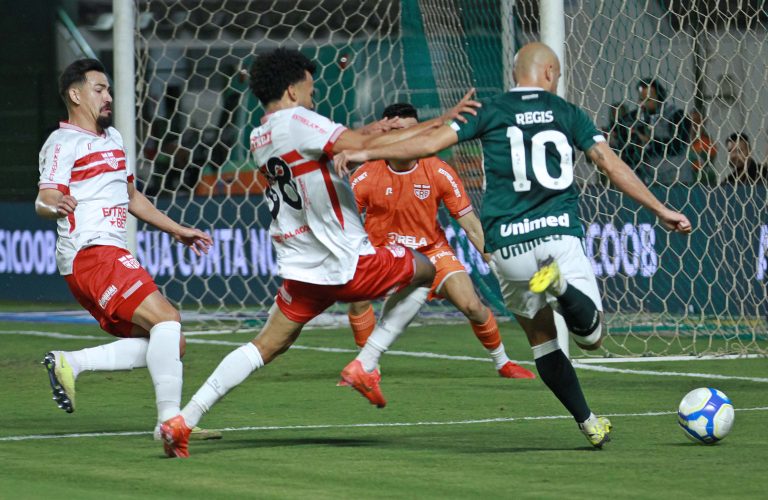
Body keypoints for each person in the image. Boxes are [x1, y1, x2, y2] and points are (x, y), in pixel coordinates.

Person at [334, 42, 693, 448]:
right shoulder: (567, 113)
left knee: (543, 341)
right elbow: (610, 164)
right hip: (558, 236)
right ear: (550, 73)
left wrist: (364, 150)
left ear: (513, 74)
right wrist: (660, 208)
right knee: (591, 337)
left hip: (507, 248)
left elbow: (428, 143)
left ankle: (588, 421)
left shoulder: (491, 110)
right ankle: (559, 286)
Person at [159, 48, 481, 458]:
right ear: (293, 90)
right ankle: (367, 361)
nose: (314, 95)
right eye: (310, 88)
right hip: (346, 261)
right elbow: (361, 143)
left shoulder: (262, 132)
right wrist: (442, 120)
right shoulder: (299, 119)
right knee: (429, 267)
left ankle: (182, 420)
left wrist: (368, 132)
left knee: (264, 346)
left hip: (302, 265)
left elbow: (337, 141)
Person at [36, 59, 217, 440]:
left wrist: (177, 229)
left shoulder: (115, 139)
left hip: (105, 255)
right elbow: (45, 197)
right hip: (91, 253)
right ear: (75, 94)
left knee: (170, 341)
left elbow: (131, 196)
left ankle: (71, 362)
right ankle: (171, 424)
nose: (108, 97)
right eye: (99, 89)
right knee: (167, 319)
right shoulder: (62, 142)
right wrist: (57, 204)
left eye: (108, 90)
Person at [346, 102, 534, 380]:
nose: (405, 138)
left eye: (412, 131)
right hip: (386, 255)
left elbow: (470, 223)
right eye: (396, 131)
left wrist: (494, 259)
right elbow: (345, 224)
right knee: (358, 299)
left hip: (431, 252)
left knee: (471, 305)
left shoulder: (438, 170)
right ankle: (369, 367)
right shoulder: (365, 174)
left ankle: (503, 362)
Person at [623, 78, 688, 184]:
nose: (643, 104)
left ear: (660, 98)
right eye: (641, 99)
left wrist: (648, 141)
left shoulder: (676, 115)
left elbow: (677, 146)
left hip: (676, 179)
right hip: (650, 179)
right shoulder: (638, 117)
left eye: (648, 99)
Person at [684, 111, 718, 185]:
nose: (694, 124)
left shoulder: (707, 142)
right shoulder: (681, 142)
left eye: (697, 121)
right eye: (691, 121)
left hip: (703, 180)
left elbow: (700, 164)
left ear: (703, 123)